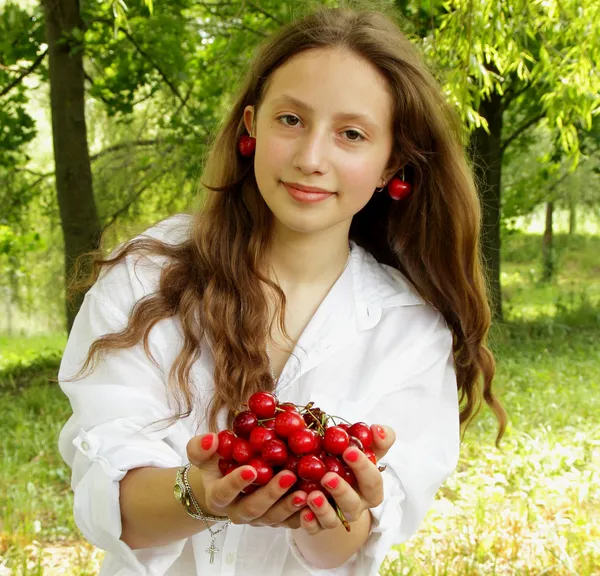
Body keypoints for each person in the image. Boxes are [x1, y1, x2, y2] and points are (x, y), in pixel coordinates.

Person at [57, 5, 506, 575]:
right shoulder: (150, 275)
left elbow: (347, 548)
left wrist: (328, 511)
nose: (310, 158)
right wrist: (202, 493)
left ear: (390, 160)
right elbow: (112, 508)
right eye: (290, 120)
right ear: (251, 125)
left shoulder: (409, 329)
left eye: (351, 134)